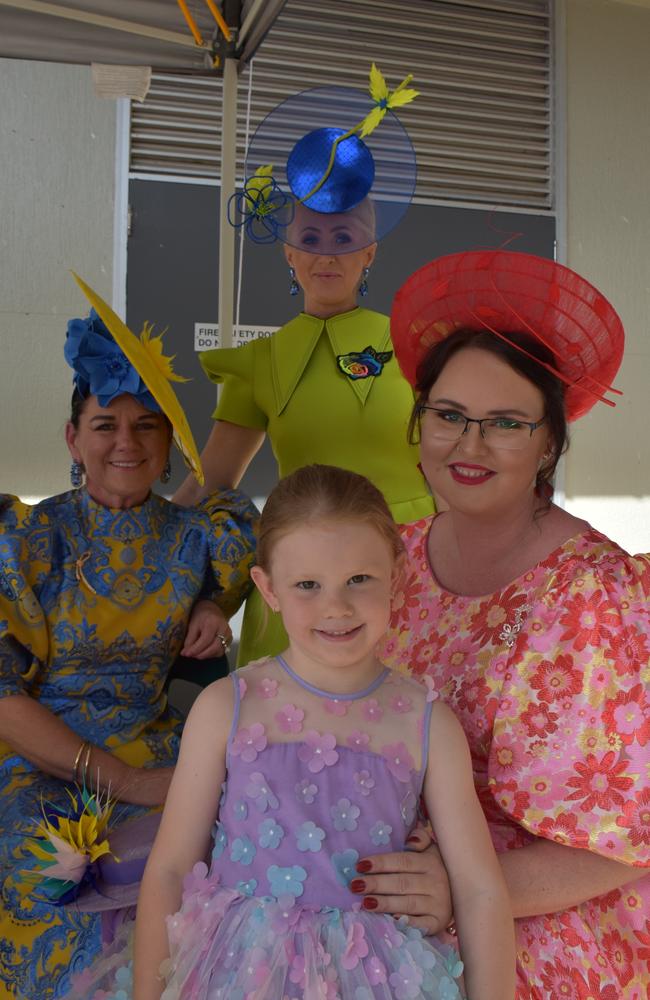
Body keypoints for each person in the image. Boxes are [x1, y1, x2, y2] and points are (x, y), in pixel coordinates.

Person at [98, 463, 512, 1000]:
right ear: (268, 590)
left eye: (358, 580)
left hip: (380, 979)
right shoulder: (227, 706)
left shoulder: (429, 721)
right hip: (237, 974)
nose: (335, 607)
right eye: (307, 585)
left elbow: (480, 890)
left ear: (398, 576)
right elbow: (171, 870)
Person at [357, 250, 649, 997]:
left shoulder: (595, 595)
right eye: (448, 415)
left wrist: (459, 885)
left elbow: (625, 844)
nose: (469, 444)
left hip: (539, 920)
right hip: (392, 881)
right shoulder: (393, 557)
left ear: (550, 441)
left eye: (506, 424)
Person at [0, 276, 258, 1000]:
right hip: (42, 753)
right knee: (44, 871)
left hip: (159, 734)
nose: (126, 441)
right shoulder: (26, 538)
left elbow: (264, 567)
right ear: (72, 436)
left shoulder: (201, 535)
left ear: (169, 441)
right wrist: (130, 784)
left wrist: (213, 600)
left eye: (146, 424)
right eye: (105, 423)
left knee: (242, 848)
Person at [173, 66, 434, 664]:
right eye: (311, 238)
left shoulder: (418, 345)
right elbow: (212, 477)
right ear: (289, 252)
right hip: (304, 571)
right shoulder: (260, 362)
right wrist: (128, 530)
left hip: (411, 568)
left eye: (343, 238)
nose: (327, 253)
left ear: (369, 252)